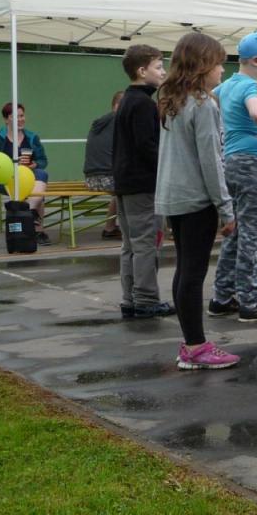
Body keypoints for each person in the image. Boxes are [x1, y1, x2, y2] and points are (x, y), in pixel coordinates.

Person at [155, 32, 239, 370]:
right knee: (193, 271)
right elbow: (211, 160)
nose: (222, 70)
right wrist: (225, 208)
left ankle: (191, 342)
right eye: (218, 64)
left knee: (184, 269)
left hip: (173, 196)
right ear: (202, 65)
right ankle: (195, 346)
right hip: (196, 199)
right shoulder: (203, 105)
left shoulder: (171, 100)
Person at [209, 30, 257, 322]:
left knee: (236, 233)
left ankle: (222, 297)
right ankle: (251, 301)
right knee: (255, 234)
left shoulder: (225, 86)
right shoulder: (252, 87)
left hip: (231, 161)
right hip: (255, 162)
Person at [112, 46, 175, 318]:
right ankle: (146, 298)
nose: (163, 72)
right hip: (143, 185)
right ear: (141, 71)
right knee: (146, 244)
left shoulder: (127, 100)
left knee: (130, 245)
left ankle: (130, 298)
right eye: (158, 67)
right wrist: (167, 169)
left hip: (126, 183)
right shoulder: (143, 104)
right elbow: (147, 146)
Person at [0, 102, 50, 244]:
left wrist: (34, 164)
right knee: (37, 189)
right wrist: (13, 165)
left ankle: (30, 212)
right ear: (6, 119)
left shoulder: (32, 137)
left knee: (41, 175)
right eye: (16, 117)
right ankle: (37, 229)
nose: (20, 119)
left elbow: (43, 160)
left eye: (22, 116)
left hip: (28, 176)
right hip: (5, 179)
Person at [83, 90, 124, 239]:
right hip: (108, 178)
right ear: (118, 106)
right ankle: (133, 230)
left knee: (121, 192)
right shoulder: (120, 121)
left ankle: (110, 228)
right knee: (137, 188)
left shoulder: (100, 123)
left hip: (90, 179)